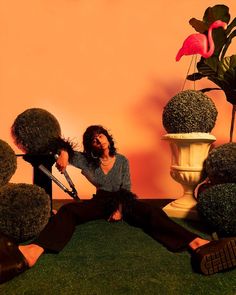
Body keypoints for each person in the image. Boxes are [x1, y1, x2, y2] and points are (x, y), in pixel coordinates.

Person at [0, 125, 235, 284]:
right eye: (93, 138)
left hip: (124, 199)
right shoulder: (87, 162)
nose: (97, 139)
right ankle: (31, 252)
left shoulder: (121, 160)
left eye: (100, 134)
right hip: (100, 200)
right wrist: (62, 153)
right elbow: (66, 152)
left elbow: (126, 187)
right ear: (90, 145)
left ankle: (199, 244)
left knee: (151, 213)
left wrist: (120, 208)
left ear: (107, 138)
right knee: (70, 210)